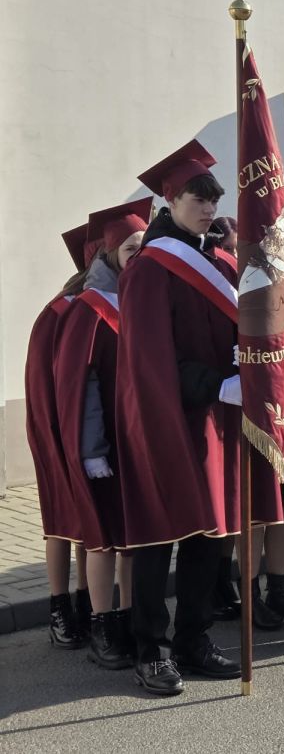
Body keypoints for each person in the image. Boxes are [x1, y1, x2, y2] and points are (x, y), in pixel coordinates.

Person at [116, 140, 281, 696]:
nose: (209, 209)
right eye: (198, 199)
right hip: (170, 416)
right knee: (160, 535)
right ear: (170, 201)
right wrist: (216, 383)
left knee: (212, 535)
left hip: (221, 419)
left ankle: (194, 637)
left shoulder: (222, 262)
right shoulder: (148, 269)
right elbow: (150, 357)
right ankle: (150, 649)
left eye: (213, 200)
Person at [53, 200, 151, 669]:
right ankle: (102, 625)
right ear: (110, 253)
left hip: (135, 439)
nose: (139, 254)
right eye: (131, 247)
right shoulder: (90, 310)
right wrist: (92, 450)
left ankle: (128, 617)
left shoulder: (139, 297)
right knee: (102, 540)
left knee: (131, 539)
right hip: (104, 445)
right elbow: (83, 385)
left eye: (143, 245)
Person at [27, 224, 96, 650]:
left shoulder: (109, 305)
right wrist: (56, 435)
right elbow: (40, 383)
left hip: (89, 433)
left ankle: (86, 601)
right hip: (55, 430)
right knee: (59, 522)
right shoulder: (58, 312)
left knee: (90, 523)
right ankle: (58, 607)